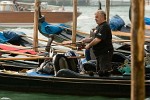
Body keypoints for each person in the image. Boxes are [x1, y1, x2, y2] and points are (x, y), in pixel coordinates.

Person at [82, 10, 114, 76]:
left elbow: (98, 39)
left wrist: (89, 45)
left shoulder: (104, 26)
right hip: (99, 54)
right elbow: (94, 38)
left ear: (102, 17)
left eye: (97, 17)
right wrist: (86, 40)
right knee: (99, 71)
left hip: (104, 53)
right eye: (95, 17)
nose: (95, 18)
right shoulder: (99, 26)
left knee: (104, 72)